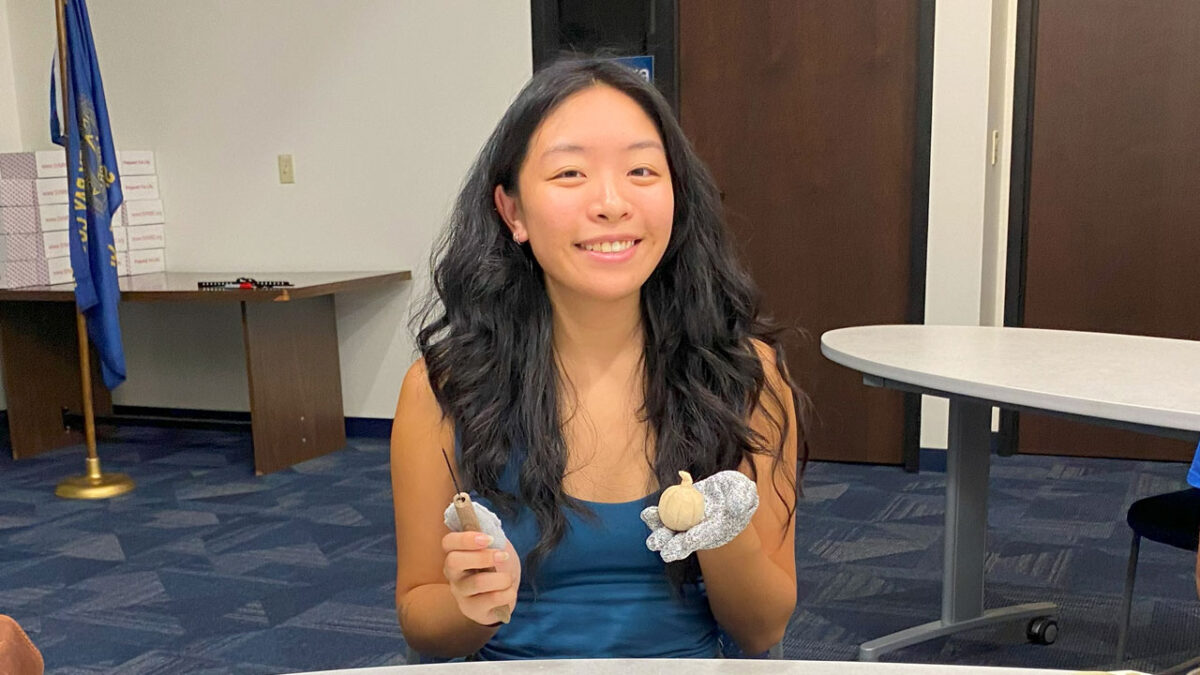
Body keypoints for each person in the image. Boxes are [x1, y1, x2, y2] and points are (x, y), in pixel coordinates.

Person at [390, 58, 807, 661]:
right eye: (569, 173)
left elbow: (762, 630)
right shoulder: (445, 387)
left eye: (641, 170)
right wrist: (469, 603)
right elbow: (420, 624)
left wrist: (723, 533)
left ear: (676, 197)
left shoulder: (744, 376)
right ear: (513, 213)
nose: (611, 203)